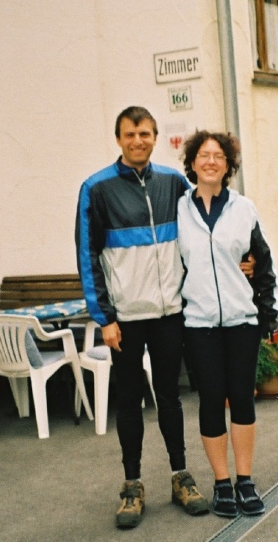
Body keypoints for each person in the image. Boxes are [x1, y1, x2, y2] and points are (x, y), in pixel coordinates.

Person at [75, 106, 210, 529]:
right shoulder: (96, 189)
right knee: (129, 400)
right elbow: (87, 256)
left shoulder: (173, 183)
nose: (139, 141)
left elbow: (208, 224)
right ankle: (131, 485)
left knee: (170, 397)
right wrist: (105, 317)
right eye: (131, 134)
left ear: (154, 137)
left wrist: (243, 258)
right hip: (126, 319)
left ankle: (180, 476)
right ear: (118, 138)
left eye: (146, 134)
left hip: (170, 312)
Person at [176, 130, 278, 518]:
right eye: (204, 155)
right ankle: (221, 484)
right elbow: (173, 265)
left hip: (240, 321)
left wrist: (266, 314)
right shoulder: (179, 211)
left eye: (219, 156)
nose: (211, 162)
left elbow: (263, 265)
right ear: (193, 163)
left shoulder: (243, 208)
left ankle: (245, 480)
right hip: (198, 323)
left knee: (241, 399)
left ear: (228, 165)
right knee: (209, 400)